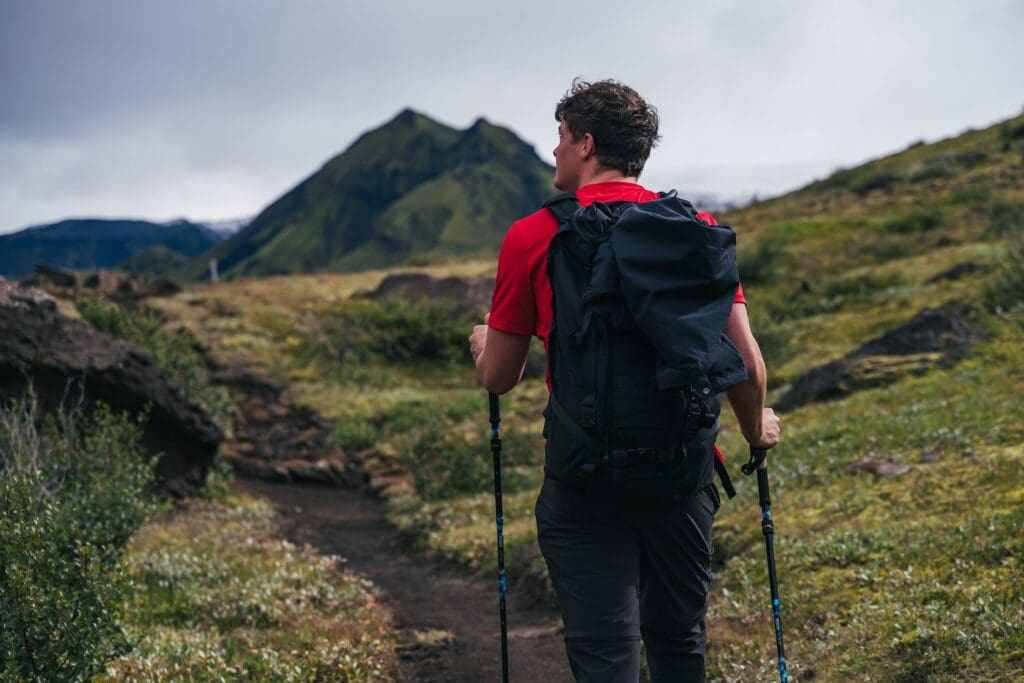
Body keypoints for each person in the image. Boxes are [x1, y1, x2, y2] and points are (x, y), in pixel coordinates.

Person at [468, 79, 780, 682]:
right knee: (678, 642)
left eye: (560, 137)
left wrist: (482, 340)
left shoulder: (532, 236)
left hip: (583, 482)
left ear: (586, 144)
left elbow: (500, 378)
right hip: (680, 478)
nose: (555, 150)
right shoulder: (696, 227)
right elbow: (745, 361)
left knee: (606, 655)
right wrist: (756, 431)